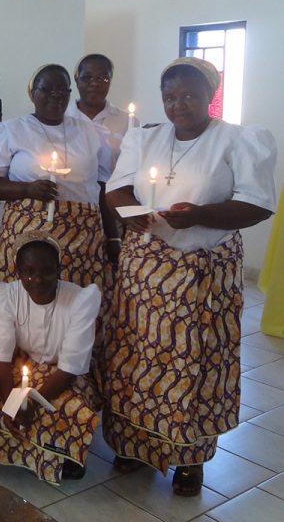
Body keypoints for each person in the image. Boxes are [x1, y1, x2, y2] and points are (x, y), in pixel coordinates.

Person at [103, 57, 277, 496]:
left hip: (204, 271)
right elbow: (117, 189)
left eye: (188, 95)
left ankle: (190, 458)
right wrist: (132, 214)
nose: (177, 105)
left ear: (208, 97)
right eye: (169, 96)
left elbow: (257, 204)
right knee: (137, 357)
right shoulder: (145, 138)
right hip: (145, 269)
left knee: (195, 363)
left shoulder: (237, 140)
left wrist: (199, 215)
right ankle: (134, 442)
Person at [0, 64, 117, 324]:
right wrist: (26, 189)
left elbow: (101, 186)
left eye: (62, 90)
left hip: (82, 238)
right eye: (47, 89)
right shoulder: (10, 130)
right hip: (28, 236)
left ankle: (73, 361)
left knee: (75, 312)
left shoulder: (89, 131)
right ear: (32, 92)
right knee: (26, 311)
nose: (56, 95)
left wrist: (112, 238)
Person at [0, 232, 100, 485]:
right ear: (18, 272)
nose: (37, 279)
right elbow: (0, 361)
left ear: (59, 270)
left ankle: (65, 454)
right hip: (23, 365)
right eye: (28, 272)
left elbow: (68, 370)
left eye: (47, 271)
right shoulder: (6, 296)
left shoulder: (80, 300)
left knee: (68, 406)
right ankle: (24, 448)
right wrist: (13, 405)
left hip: (63, 375)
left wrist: (30, 405)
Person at [65, 54, 139, 165]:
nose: (94, 83)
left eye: (102, 78)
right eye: (87, 77)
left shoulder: (127, 122)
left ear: (110, 81)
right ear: (76, 80)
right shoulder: (63, 118)